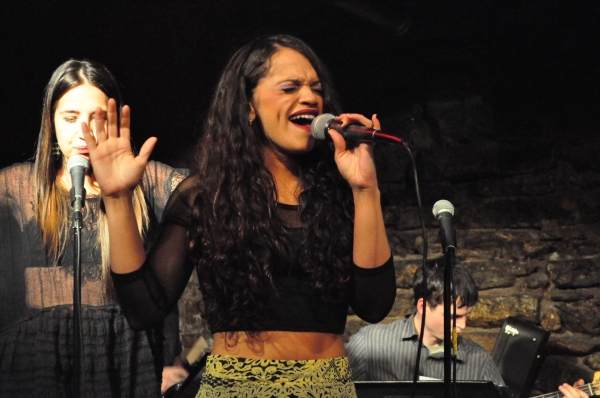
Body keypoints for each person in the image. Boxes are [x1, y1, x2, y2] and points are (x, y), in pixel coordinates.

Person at [82, 34, 397, 397]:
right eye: (290, 87)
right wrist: (117, 198)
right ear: (249, 104)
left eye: (316, 88)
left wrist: (365, 189)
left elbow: (374, 306)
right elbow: (144, 309)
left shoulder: (338, 192)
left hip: (327, 386)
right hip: (237, 386)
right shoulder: (206, 196)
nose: (310, 98)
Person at [0, 59, 188, 397]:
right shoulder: (14, 188)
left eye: (97, 119)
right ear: (51, 122)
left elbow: (211, 198)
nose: (83, 131)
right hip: (35, 370)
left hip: (126, 363)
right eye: (70, 119)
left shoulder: (147, 183)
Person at [345, 258, 505, 385]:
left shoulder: (480, 361)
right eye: (453, 317)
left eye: (466, 315)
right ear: (423, 306)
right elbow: (326, 388)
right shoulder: (370, 343)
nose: (462, 326)